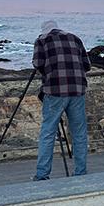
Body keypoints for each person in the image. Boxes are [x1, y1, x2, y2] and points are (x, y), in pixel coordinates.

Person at [32, 20, 91, 180]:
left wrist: (49, 72)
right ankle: (80, 172)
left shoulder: (41, 40)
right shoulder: (75, 38)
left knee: (48, 132)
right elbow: (87, 65)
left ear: (44, 31)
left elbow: (37, 64)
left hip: (55, 90)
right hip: (77, 90)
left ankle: (42, 174)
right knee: (79, 133)